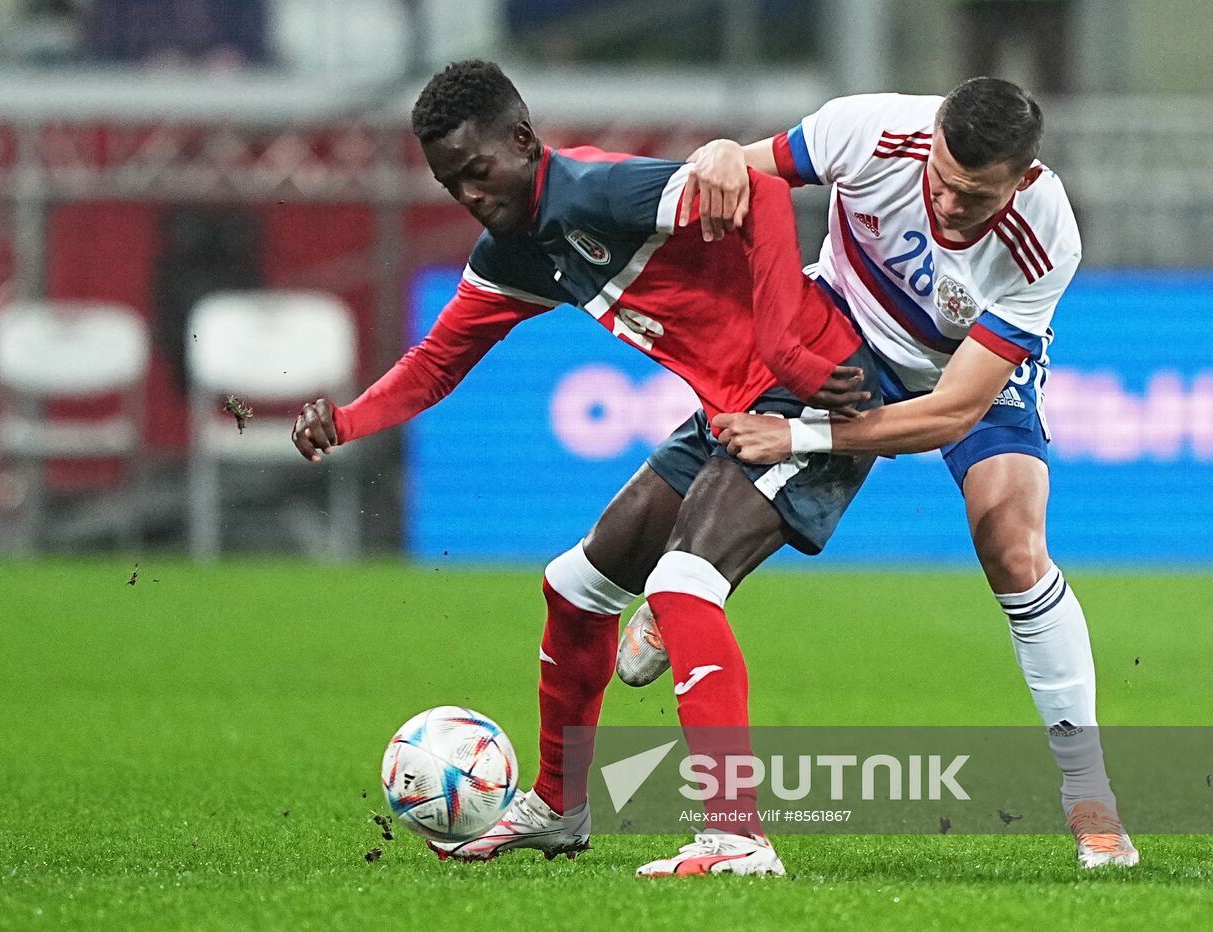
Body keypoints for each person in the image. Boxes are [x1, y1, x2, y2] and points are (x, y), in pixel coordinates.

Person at [291, 59, 881, 878]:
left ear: (524, 141)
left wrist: (785, 343)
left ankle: (737, 836)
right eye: (447, 181)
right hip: (728, 409)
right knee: (576, 586)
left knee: (681, 585)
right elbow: (436, 363)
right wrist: (347, 420)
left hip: (814, 389)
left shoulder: (602, 193)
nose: (467, 193)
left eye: (477, 169)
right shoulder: (513, 250)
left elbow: (766, 192)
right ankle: (560, 809)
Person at [618, 77, 1138, 868]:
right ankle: (691, 589)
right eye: (944, 182)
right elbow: (744, 172)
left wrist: (796, 434)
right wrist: (722, 152)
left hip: (958, 372)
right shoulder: (868, 131)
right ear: (931, 139)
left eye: (977, 198)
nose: (952, 207)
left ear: (1023, 180)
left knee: (1014, 544)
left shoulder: (1046, 234)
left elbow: (951, 414)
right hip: (842, 325)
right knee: (734, 451)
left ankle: (1088, 796)